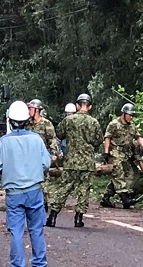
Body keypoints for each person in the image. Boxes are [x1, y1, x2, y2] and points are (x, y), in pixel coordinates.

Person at [0, 100, 50, 267]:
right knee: (36, 229)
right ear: (27, 119)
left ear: (9, 120)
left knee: (16, 231)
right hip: (35, 191)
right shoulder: (36, 139)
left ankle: (18, 264)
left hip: (14, 193)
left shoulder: (3, 141)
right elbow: (46, 164)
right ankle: (39, 263)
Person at [46, 93, 103, 228]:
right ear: (89, 107)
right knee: (84, 189)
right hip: (88, 162)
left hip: (71, 161)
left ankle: (52, 217)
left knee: (64, 187)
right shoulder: (94, 122)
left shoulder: (69, 120)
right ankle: (78, 218)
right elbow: (98, 140)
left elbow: (59, 134)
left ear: (77, 105)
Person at [100, 103, 143, 209]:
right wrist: (106, 152)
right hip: (115, 153)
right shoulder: (114, 124)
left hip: (125, 154)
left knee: (128, 174)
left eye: (132, 115)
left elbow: (138, 137)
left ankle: (106, 197)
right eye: (129, 115)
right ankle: (124, 197)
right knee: (119, 173)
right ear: (124, 114)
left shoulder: (132, 126)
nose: (131, 117)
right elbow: (107, 138)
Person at [26, 98, 57, 213]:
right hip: (28, 158)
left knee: (44, 184)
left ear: (37, 110)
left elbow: (52, 140)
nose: (29, 111)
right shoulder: (26, 124)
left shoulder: (46, 124)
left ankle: (45, 204)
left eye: (31, 108)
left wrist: (54, 154)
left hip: (41, 158)